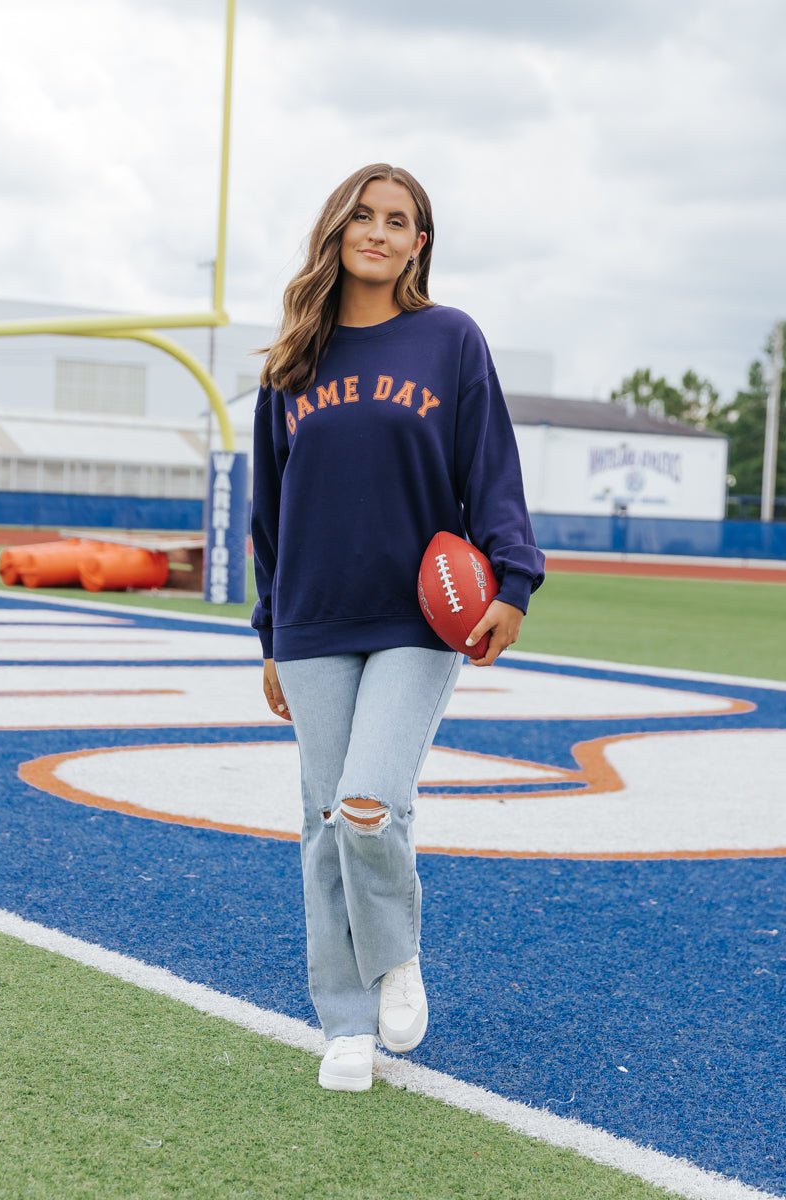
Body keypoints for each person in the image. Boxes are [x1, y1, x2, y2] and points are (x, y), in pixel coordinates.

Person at [250, 163, 545, 1092]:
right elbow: (269, 512)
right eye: (363, 215)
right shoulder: (291, 363)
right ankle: (344, 1022)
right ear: (336, 229)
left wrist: (515, 579)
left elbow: (489, 466)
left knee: (370, 801)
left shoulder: (449, 340)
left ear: (420, 242)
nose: (377, 232)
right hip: (311, 619)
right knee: (322, 820)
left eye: (399, 221)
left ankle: (396, 953)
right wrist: (268, 635)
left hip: (421, 616)